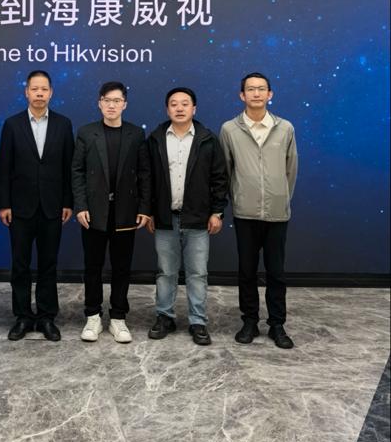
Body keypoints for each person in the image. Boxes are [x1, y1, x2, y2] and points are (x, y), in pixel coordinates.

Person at [220, 73, 298, 349]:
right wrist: (238, 198)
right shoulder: (230, 129)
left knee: (276, 272)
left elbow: (291, 169)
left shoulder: (285, 128)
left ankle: (277, 324)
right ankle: (249, 321)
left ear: (270, 94)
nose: (256, 93)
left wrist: (280, 196)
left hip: (277, 213)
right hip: (245, 213)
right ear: (242, 95)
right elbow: (225, 170)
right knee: (247, 271)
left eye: (261, 89)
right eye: (250, 89)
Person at [146, 87, 227, 346]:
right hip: (165, 218)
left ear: (194, 109)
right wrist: (148, 212)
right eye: (174, 104)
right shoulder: (155, 139)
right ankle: (164, 317)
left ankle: (198, 321)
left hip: (199, 218)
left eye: (185, 103)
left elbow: (219, 178)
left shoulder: (208, 139)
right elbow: (147, 179)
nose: (179, 108)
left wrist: (217, 212)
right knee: (166, 272)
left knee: (197, 273)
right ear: (167, 109)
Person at [71, 81, 151, 343]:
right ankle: (92, 316)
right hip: (94, 212)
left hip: (125, 212)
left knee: (121, 267)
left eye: (117, 101)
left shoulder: (135, 134)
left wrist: (144, 208)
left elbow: (145, 173)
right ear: (99, 103)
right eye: (107, 100)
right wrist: (80, 206)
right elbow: (77, 172)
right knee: (92, 266)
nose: (112, 105)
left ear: (124, 104)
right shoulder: (86, 133)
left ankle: (118, 317)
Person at [0, 69, 74, 342]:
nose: (39, 93)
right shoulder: (12, 124)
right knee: (19, 264)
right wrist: (4, 204)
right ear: (26, 92)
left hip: (53, 207)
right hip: (19, 208)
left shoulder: (63, 124)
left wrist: (68, 202)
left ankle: (46, 316)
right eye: (34, 89)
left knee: (48, 264)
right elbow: (4, 167)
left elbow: (69, 166)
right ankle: (22, 316)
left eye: (44, 89)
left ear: (51, 93)